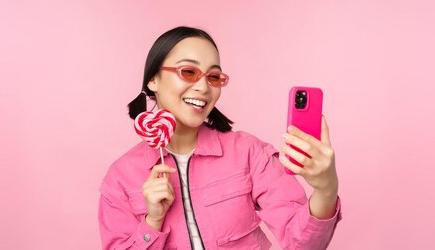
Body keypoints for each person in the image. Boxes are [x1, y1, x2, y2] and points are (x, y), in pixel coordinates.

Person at [98, 26, 342, 250]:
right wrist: (152, 221)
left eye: (213, 77)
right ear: (153, 79)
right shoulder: (120, 178)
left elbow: (303, 244)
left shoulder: (248, 153)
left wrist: (326, 190)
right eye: (189, 71)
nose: (204, 88)